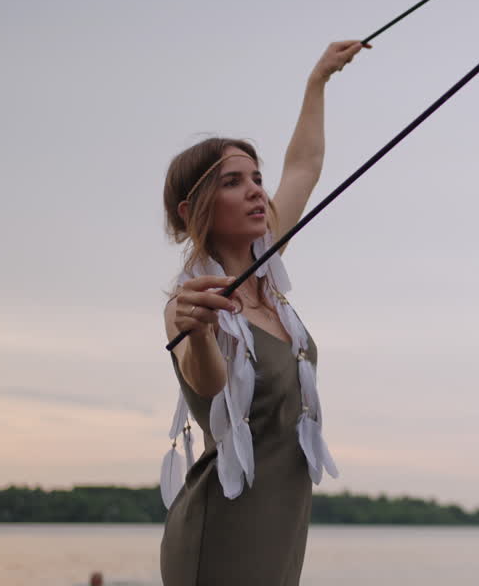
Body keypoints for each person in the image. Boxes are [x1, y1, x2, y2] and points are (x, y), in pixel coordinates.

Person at [157, 40, 368, 585]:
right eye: (233, 182)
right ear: (192, 209)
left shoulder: (269, 277)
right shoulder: (188, 303)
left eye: (256, 178)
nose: (256, 191)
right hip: (219, 533)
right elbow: (207, 384)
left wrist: (317, 80)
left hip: (282, 526)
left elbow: (306, 163)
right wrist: (199, 333)